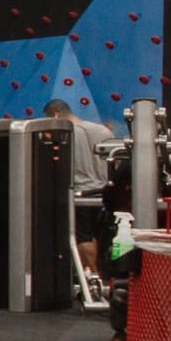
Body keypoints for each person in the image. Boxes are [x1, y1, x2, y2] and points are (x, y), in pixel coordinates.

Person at [46, 99, 116, 275]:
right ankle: (109, 277)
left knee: (84, 236)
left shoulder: (64, 135)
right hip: (106, 195)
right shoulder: (103, 130)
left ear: (56, 113)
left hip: (82, 195)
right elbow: (116, 163)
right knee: (107, 237)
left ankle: (92, 276)